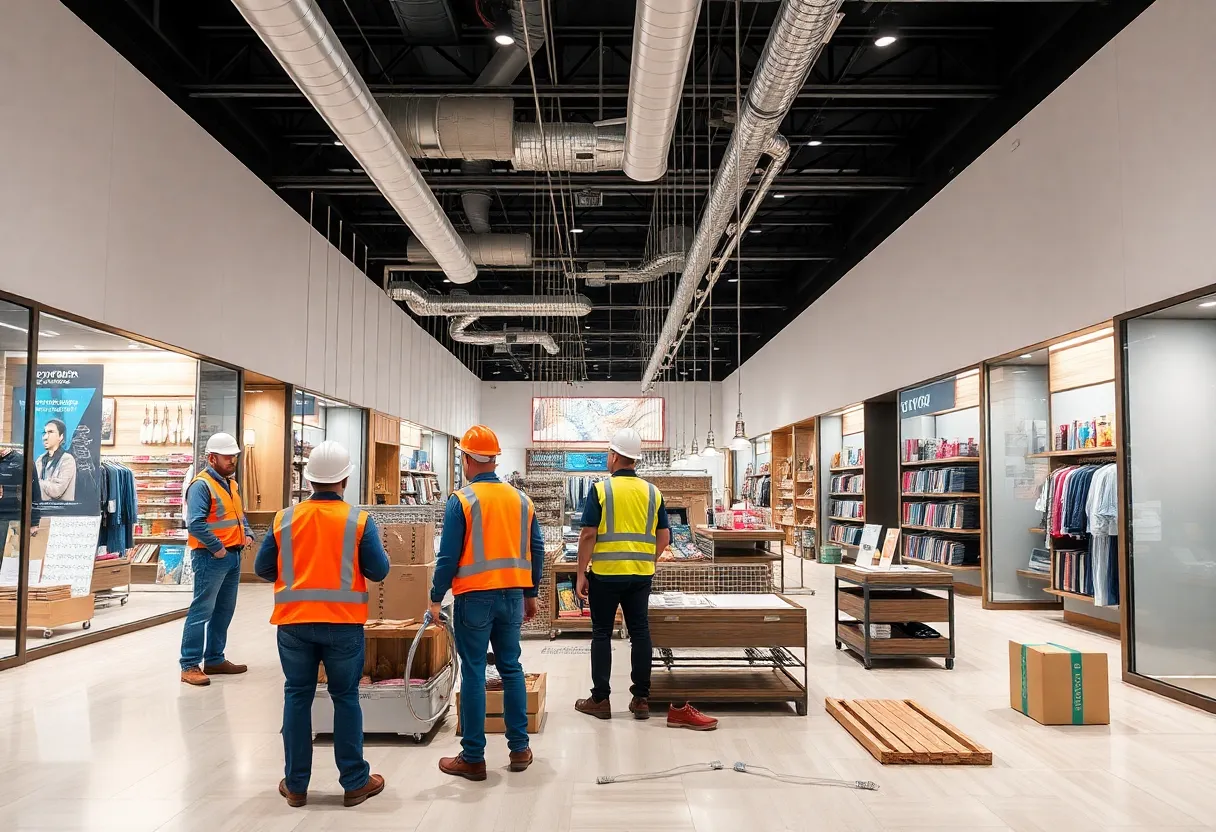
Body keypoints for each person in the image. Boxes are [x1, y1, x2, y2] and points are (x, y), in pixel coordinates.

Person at [255, 440, 389, 808]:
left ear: (310, 480)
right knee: (345, 698)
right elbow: (379, 570)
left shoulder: (285, 518)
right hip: (343, 625)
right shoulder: (358, 520)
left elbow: (263, 568)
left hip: (294, 624)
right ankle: (354, 781)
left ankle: (296, 785)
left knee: (296, 697)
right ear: (345, 479)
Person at [573, 428, 717, 730]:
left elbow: (588, 534)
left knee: (601, 633)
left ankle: (600, 699)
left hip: (605, 575)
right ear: (635, 459)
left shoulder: (601, 490)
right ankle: (641, 699)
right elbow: (664, 536)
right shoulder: (653, 492)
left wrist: (581, 573)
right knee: (640, 632)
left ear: (613, 456)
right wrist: (646, 559)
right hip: (640, 575)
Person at [429, 425, 544, 781]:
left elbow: (447, 557)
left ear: (466, 459)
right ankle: (520, 748)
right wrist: (531, 592)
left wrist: (435, 598)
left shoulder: (461, 500)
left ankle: (474, 757)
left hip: (474, 598)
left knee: (475, 672)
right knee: (511, 669)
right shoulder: (522, 500)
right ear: (494, 459)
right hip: (512, 596)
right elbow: (536, 549)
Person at [179, 432, 254, 686]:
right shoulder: (201, 486)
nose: (232, 460)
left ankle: (214, 658)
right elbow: (195, 524)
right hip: (211, 557)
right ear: (211, 458)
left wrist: (249, 532)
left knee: (224, 610)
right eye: (227, 457)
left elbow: (238, 515)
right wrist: (218, 548)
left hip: (231, 555)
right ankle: (189, 665)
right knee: (201, 611)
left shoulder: (230, 483)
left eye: (234, 456)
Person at [36, 418, 77, 502]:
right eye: (44, 433)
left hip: (61, 512)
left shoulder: (67, 459)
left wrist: (38, 482)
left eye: (50, 432)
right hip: (41, 509)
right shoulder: (40, 459)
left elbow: (56, 491)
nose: (45, 437)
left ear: (61, 436)